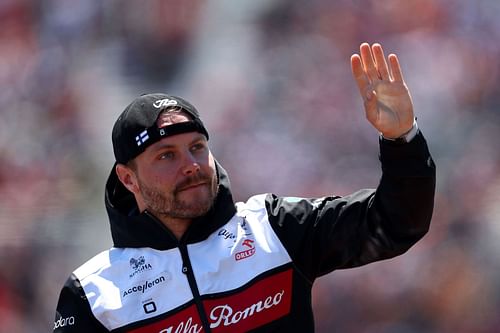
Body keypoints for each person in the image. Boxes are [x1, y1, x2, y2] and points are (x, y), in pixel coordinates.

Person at [53, 42, 435, 332]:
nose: (190, 166)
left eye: (197, 147)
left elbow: (396, 224)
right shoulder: (92, 294)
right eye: (166, 156)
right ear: (127, 178)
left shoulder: (273, 228)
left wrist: (402, 138)